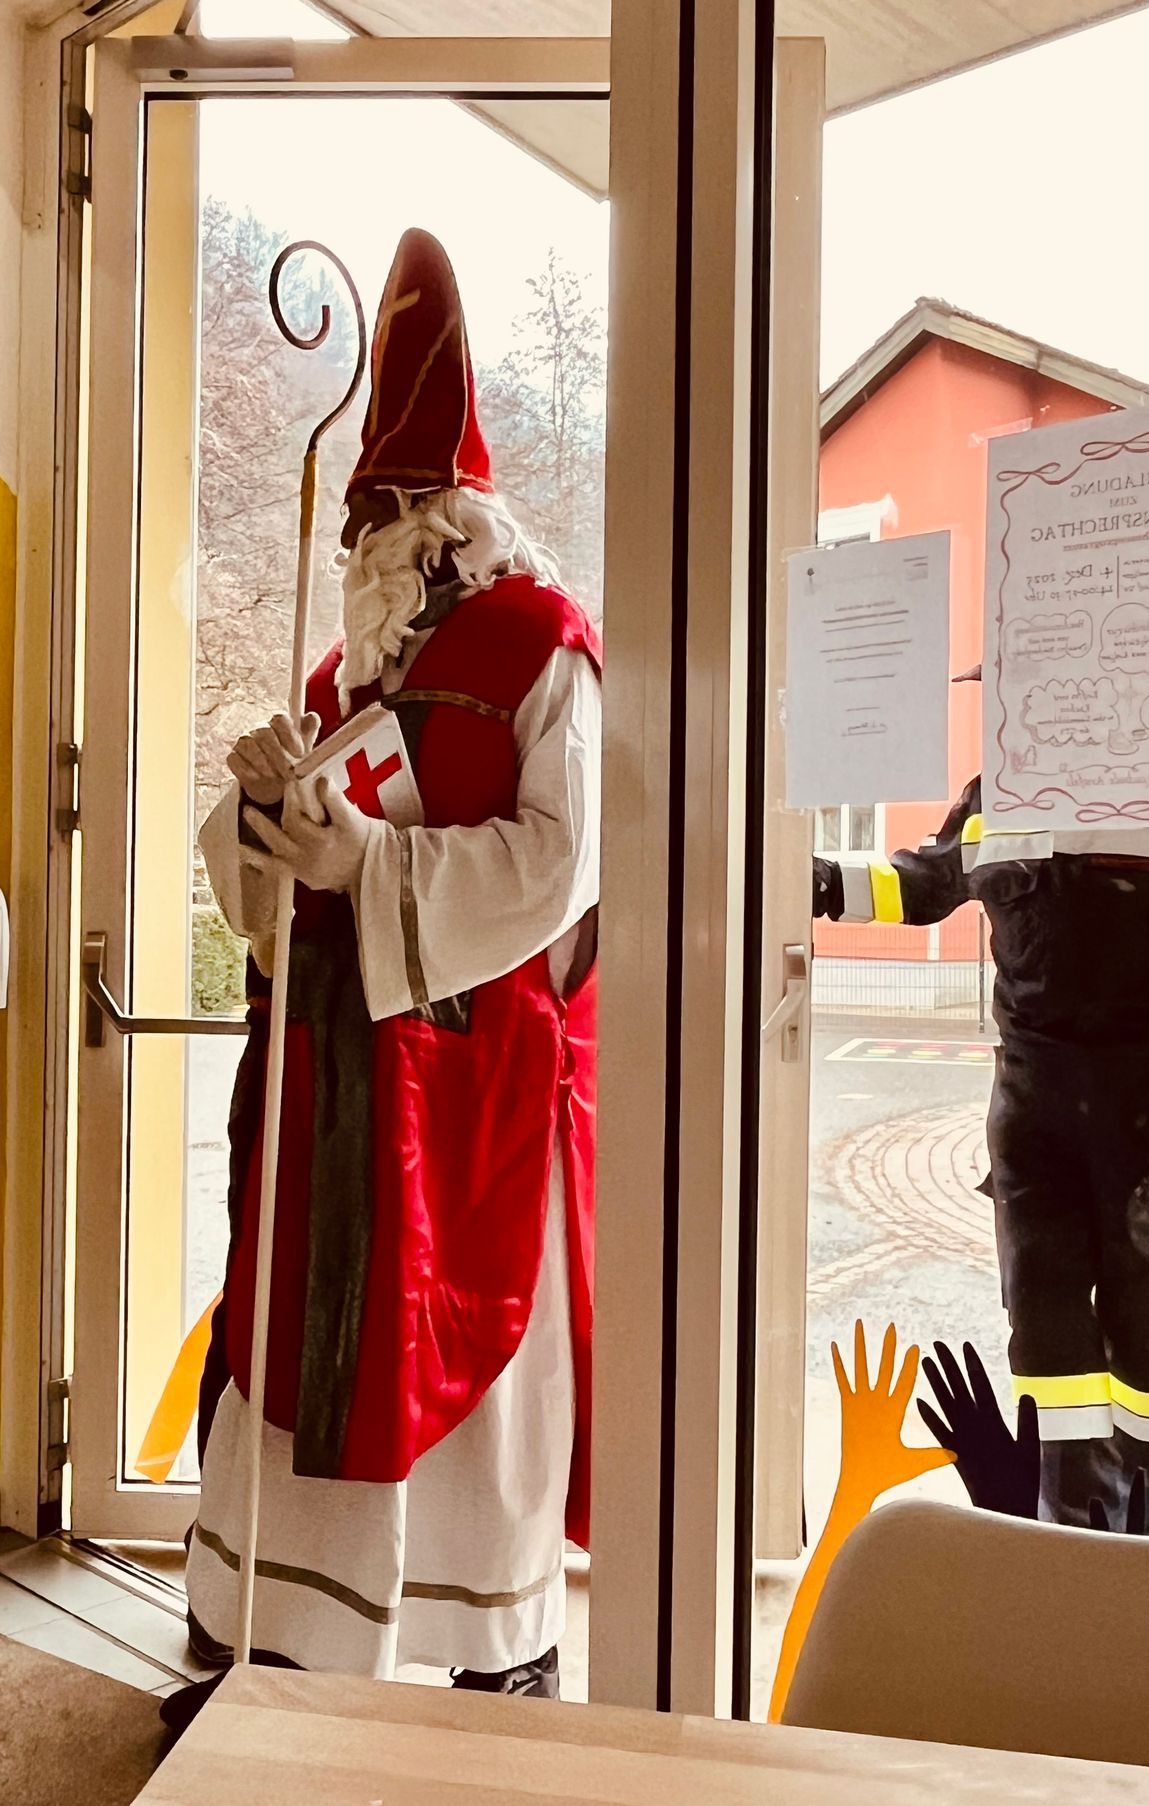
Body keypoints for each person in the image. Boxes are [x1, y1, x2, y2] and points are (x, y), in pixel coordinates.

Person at [176, 228, 601, 1707]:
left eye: (408, 507)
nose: (383, 532)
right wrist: (257, 815)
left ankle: (490, 1643)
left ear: (467, 515)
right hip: (325, 1083)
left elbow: (564, 862)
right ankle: (275, 1638)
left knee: (466, 1355)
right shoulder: (331, 680)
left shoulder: (545, 647)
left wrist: (374, 863)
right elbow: (267, 898)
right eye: (369, 509)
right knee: (296, 1338)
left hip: (472, 1080)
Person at [812, 667, 1149, 1526]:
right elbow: (925, 882)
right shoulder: (1003, 789)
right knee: (1045, 1327)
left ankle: (1146, 1523)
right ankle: (1065, 1524)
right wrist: (814, 880)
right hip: (1035, 1118)